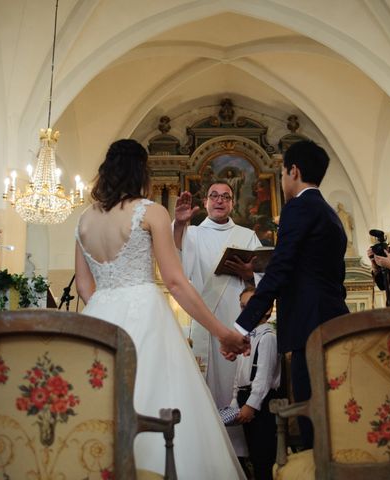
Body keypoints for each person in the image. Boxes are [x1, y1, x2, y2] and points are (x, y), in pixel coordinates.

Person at [74, 139, 248, 479]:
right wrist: (223, 332)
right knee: (156, 399)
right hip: (145, 317)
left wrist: (104, 306)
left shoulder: (84, 219)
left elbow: (84, 287)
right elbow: (176, 282)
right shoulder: (151, 211)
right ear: (142, 171)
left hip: (97, 316)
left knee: (103, 404)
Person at [235, 139, 349, 448]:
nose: (283, 178)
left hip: (307, 327)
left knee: (311, 412)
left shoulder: (298, 207)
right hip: (334, 322)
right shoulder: (329, 214)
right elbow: (334, 278)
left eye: (283, 172)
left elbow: (280, 270)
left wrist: (241, 325)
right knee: (333, 412)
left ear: (293, 171)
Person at [173, 180, 261, 457]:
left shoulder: (247, 236)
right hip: (205, 322)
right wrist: (178, 226)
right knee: (205, 386)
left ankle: (239, 453)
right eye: (214, 196)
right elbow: (178, 264)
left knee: (235, 383)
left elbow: (264, 277)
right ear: (207, 201)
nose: (220, 200)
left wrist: (249, 274)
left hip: (237, 324)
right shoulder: (194, 234)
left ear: (233, 203)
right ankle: (206, 452)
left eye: (226, 197)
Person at [231, 286, 280, 480]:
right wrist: (235, 402)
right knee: (253, 452)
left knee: (264, 456)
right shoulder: (246, 339)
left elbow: (264, 377)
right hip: (245, 397)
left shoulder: (268, 337)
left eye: (250, 306)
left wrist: (251, 405)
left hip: (263, 402)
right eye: (242, 307)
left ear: (267, 309)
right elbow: (239, 375)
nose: (246, 311)